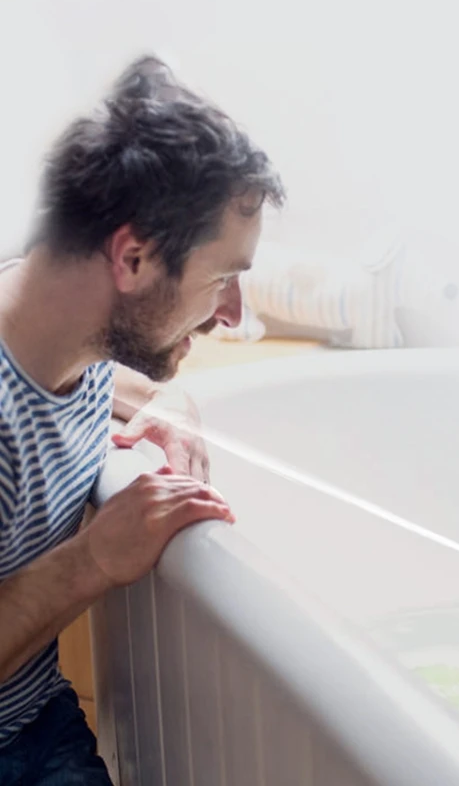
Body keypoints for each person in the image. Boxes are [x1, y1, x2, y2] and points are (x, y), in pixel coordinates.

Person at [0, 55, 284, 783]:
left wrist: (170, 402)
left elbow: (111, 378)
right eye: (223, 279)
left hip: (34, 711)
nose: (231, 315)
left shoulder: (64, 331)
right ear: (132, 257)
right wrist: (93, 559)